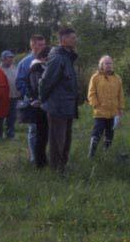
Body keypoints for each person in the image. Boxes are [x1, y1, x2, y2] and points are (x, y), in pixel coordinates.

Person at [39, 28, 78, 172]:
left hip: (67, 106)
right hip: (57, 107)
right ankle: (56, 170)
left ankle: (63, 166)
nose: (75, 40)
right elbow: (46, 82)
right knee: (57, 141)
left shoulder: (68, 57)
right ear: (63, 40)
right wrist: (43, 100)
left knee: (66, 140)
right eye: (72, 37)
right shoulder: (57, 58)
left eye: (75, 37)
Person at [16, 35, 46, 162]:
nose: (43, 47)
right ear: (32, 45)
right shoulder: (25, 62)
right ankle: (34, 158)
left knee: (45, 129)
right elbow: (20, 82)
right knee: (33, 129)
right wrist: (31, 95)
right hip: (32, 101)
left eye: (44, 44)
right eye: (40, 45)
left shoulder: (48, 59)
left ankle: (42, 156)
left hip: (46, 101)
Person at [87, 55, 124, 158]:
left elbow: (120, 95)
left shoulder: (117, 78)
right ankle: (91, 154)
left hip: (113, 112)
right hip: (100, 112)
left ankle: (106, 153)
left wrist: (120, 109)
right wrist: (96, 105)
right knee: (97, 133)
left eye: (110, 63)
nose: (109, 65)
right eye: (106, 63)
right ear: (101, 65)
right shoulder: (95, 77)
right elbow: (91, 93)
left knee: (110, 134)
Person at [27, 46, 51, 168]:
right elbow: (36, 86)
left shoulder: (43, 67)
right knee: (40, 135)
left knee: (45, 134)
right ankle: (39, 162)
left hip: (45, 105)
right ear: (43, 57)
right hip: (38, 105)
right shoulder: (36, 67)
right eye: (49, 56)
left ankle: (43, 159)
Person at [0, 50, 20, 140]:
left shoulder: (15, 68)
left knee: (12, 117)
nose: (11, 59)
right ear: (3, 59)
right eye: (9, 58)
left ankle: (10, 134)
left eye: (12, 57)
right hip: (1, 97)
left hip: (13, 96)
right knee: (0, 116)